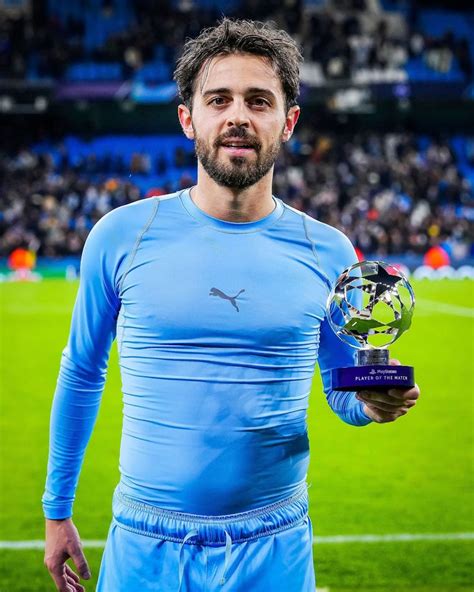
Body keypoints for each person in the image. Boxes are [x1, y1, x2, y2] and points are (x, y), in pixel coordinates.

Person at [43, 18, 420, 592]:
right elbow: (81, 372)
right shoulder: (121, 236)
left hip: (275, 546)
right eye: (218, 99)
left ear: (288, 122)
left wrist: (373, 403)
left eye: (258, 100)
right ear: (188, 117)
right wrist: (56, 508)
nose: (237, 116)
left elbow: (341, 393)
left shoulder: (330, 251)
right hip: (146, 545)